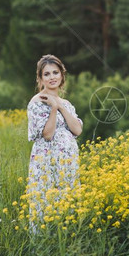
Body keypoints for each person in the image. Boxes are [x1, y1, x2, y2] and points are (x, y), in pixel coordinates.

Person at [26, 54, 83, 224]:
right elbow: (48, 134)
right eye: (47, 74)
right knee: (45, 202)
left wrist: (60, 106)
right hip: (47, 161)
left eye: (55, 72)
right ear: (40, 78)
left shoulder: (66, 103)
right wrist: (52, 109)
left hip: (67, 162)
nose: (52, 77)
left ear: (62, 75)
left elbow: (77, 130)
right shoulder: (37, 102)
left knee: (67, 204)